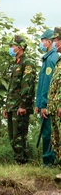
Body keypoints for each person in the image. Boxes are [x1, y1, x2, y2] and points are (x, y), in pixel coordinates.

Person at [3, 35, 36, 164]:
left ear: (20, 47)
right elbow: (12, 88)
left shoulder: (28, 63)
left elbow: (27, 86)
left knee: (19, 136)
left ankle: (22, 162)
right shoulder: (15, 64)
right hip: (12, 106)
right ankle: (21, 160)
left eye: (12, 46)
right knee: (12, 137)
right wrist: (7, 107)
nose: (11, 48)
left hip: (20, 107)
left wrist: (23, 105)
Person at [35, 29, 59, 167]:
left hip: (49, 104)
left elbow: (48, 85)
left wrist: (44, 104)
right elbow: (41, 84)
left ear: (49, 42)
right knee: (46, 132)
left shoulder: (52, 59)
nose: (41, 43)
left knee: (48, 133)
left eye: (43, 40)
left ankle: (50, 162)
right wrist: (38, 103)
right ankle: (47, 161)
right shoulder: (47, 58)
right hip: (44, 103)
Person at [47, 27, 61, 173]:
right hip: (55, 107)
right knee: (57, 138)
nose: (55, 43)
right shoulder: (59, 60)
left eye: (57, 40)